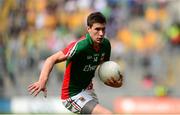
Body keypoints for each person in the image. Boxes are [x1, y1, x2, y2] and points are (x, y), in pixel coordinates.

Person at [28, 12, 123, 114]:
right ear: (88, 29)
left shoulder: (106, 45)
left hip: (88, 91)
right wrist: (42, 81)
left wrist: (116, 83)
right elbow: (51, 59)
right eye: (97, 29)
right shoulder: (80, 46)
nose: (101, 33)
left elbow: (105, 70)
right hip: (72, 95)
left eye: (103, 29)